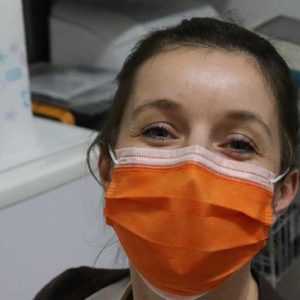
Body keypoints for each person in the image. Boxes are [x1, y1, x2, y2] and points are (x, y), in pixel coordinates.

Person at [34, 17, 299, 300]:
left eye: (239, 143)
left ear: (281, 191)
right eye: (159, 131)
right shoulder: (66, 292)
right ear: (109, 168)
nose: (193, 172)